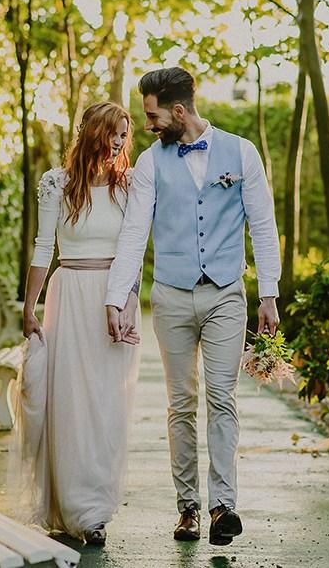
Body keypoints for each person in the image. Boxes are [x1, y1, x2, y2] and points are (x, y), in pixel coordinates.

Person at [105, 66, 281, 546]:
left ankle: (224, 505)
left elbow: (263, 225)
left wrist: (269, 293)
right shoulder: (149, 163)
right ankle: (188, 508)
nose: (148, 125)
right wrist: (116, 297)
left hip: (225, 292)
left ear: (179, 110)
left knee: (222, 398)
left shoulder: (242, 152)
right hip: (170, 296)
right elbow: (134, 233)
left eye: (153, 114)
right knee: (180, 404)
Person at [18, 101, 142, 546]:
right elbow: (41, 249)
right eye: (113, 131)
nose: (119, 140)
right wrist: (29, 307)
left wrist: (129, 301)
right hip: (68, 296)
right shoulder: (57, 184)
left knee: (108, 408)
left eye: (125, 133)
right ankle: (74, 509)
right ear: (92, 131)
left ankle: (97, 510)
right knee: (70, 405)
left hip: (114, 301)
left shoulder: (128, 187)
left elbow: (135, 249)